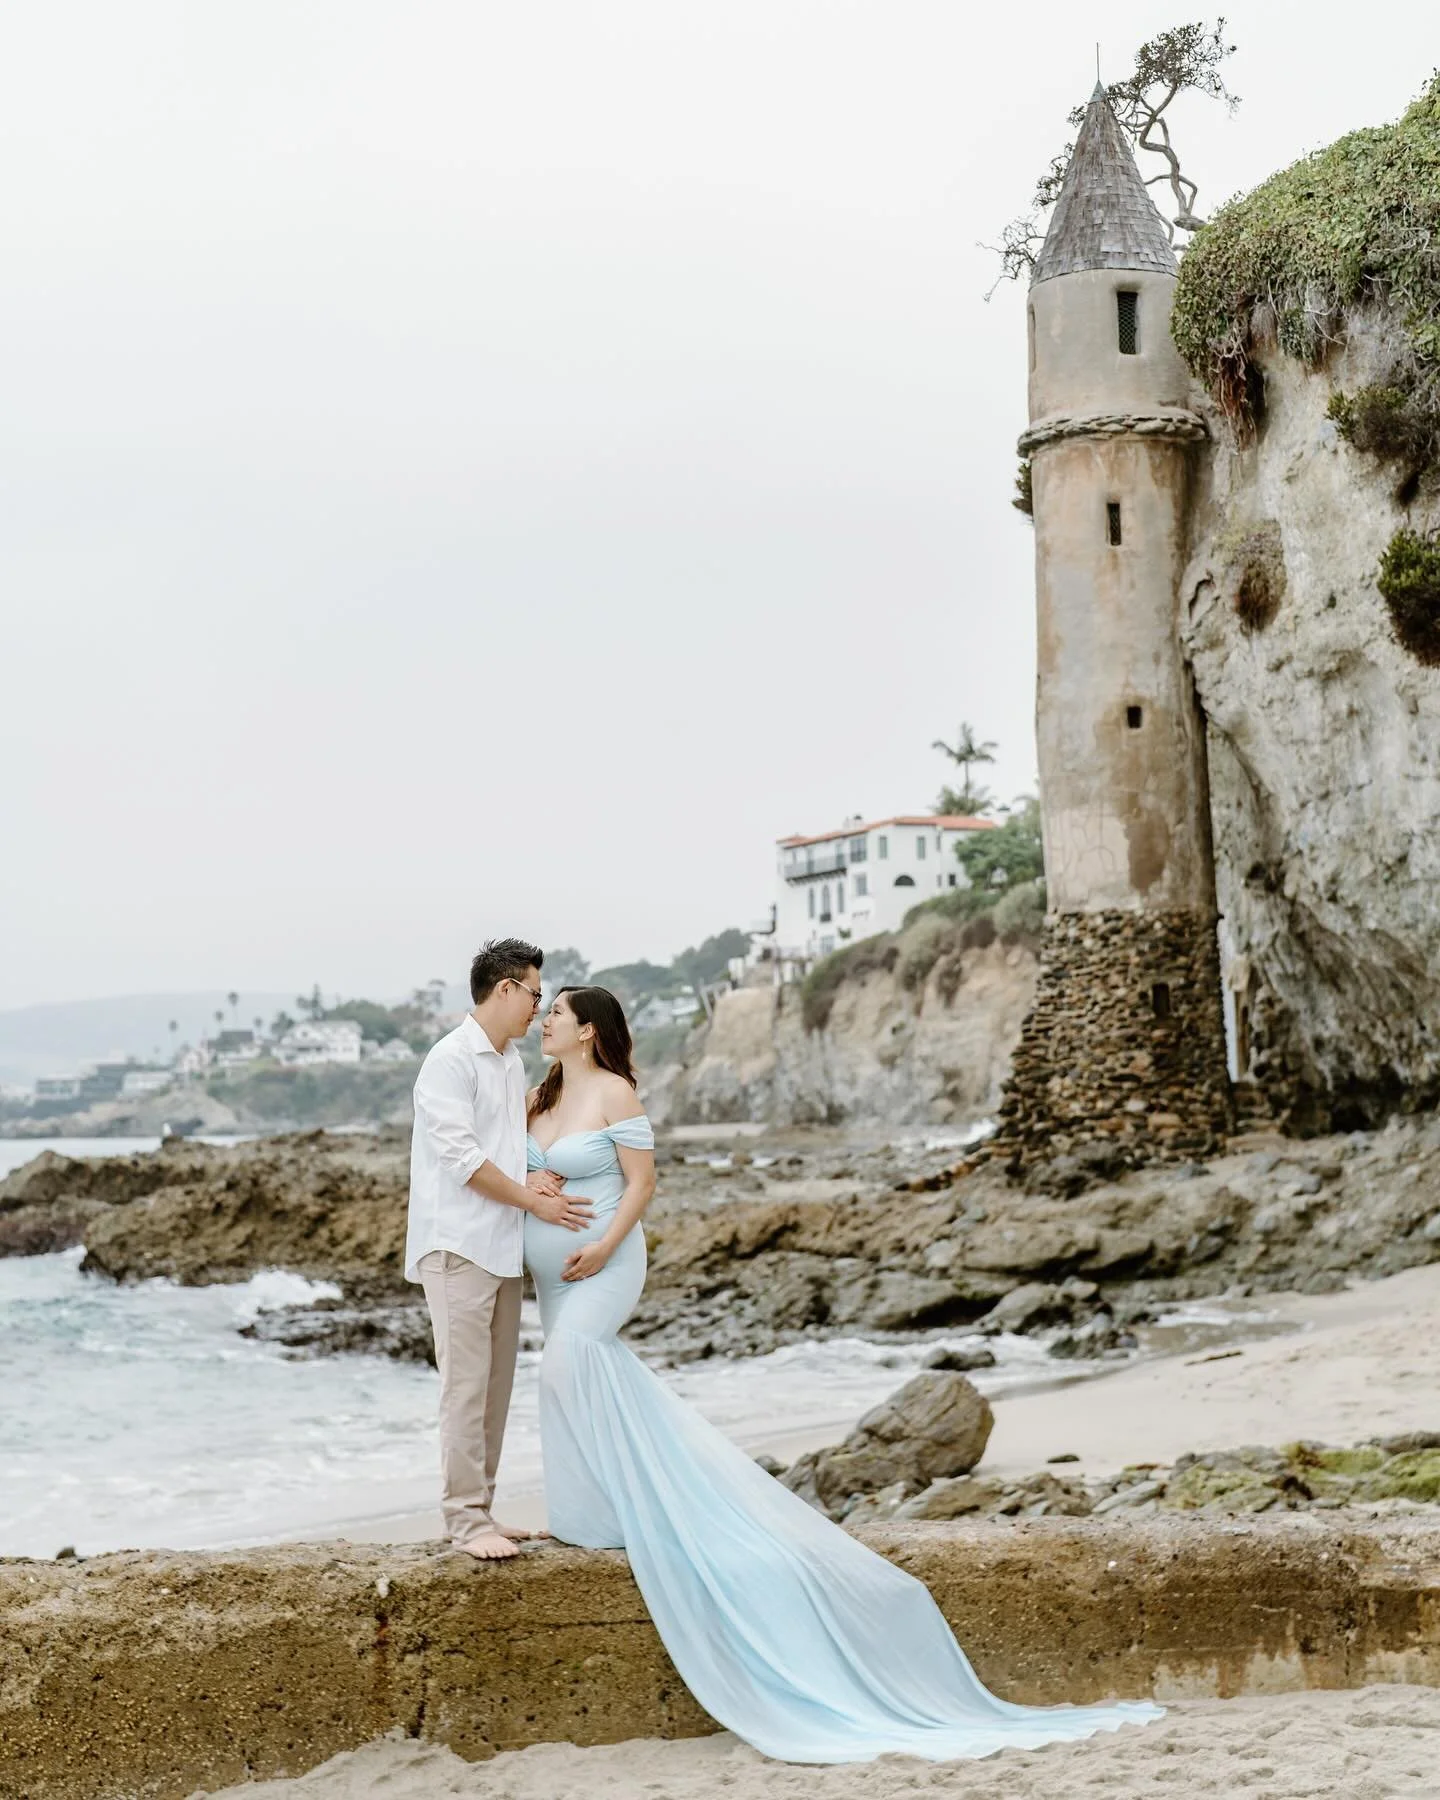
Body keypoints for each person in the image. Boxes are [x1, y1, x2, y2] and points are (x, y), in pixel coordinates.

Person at [525, 983, 1165, 1764]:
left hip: (605, 1263)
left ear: (588, 1031)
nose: (544, 1021)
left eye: (555, 1014)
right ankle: (590, 1514)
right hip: (552, 1275)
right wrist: (534, 1186)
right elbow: (515, 1166)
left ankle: (632, 1505)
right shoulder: (540, 1096)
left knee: (569, 1366)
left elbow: (643, 1184)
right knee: (571, 1374)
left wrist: (601, 1245)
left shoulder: (614, 1091)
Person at [405, 938, 594, 1561]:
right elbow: (462, 1160)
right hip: (456, 1245)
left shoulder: (510, 1063)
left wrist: (535, 1180)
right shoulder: (449, 1060)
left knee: (494, 1389)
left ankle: (482, 1510)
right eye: (535, 995)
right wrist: (534, 1203)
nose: (539, 1008)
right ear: (506, 988)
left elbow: (504, 1148)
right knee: (464, 1389)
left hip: (502, 1245)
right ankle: (463, 1522)